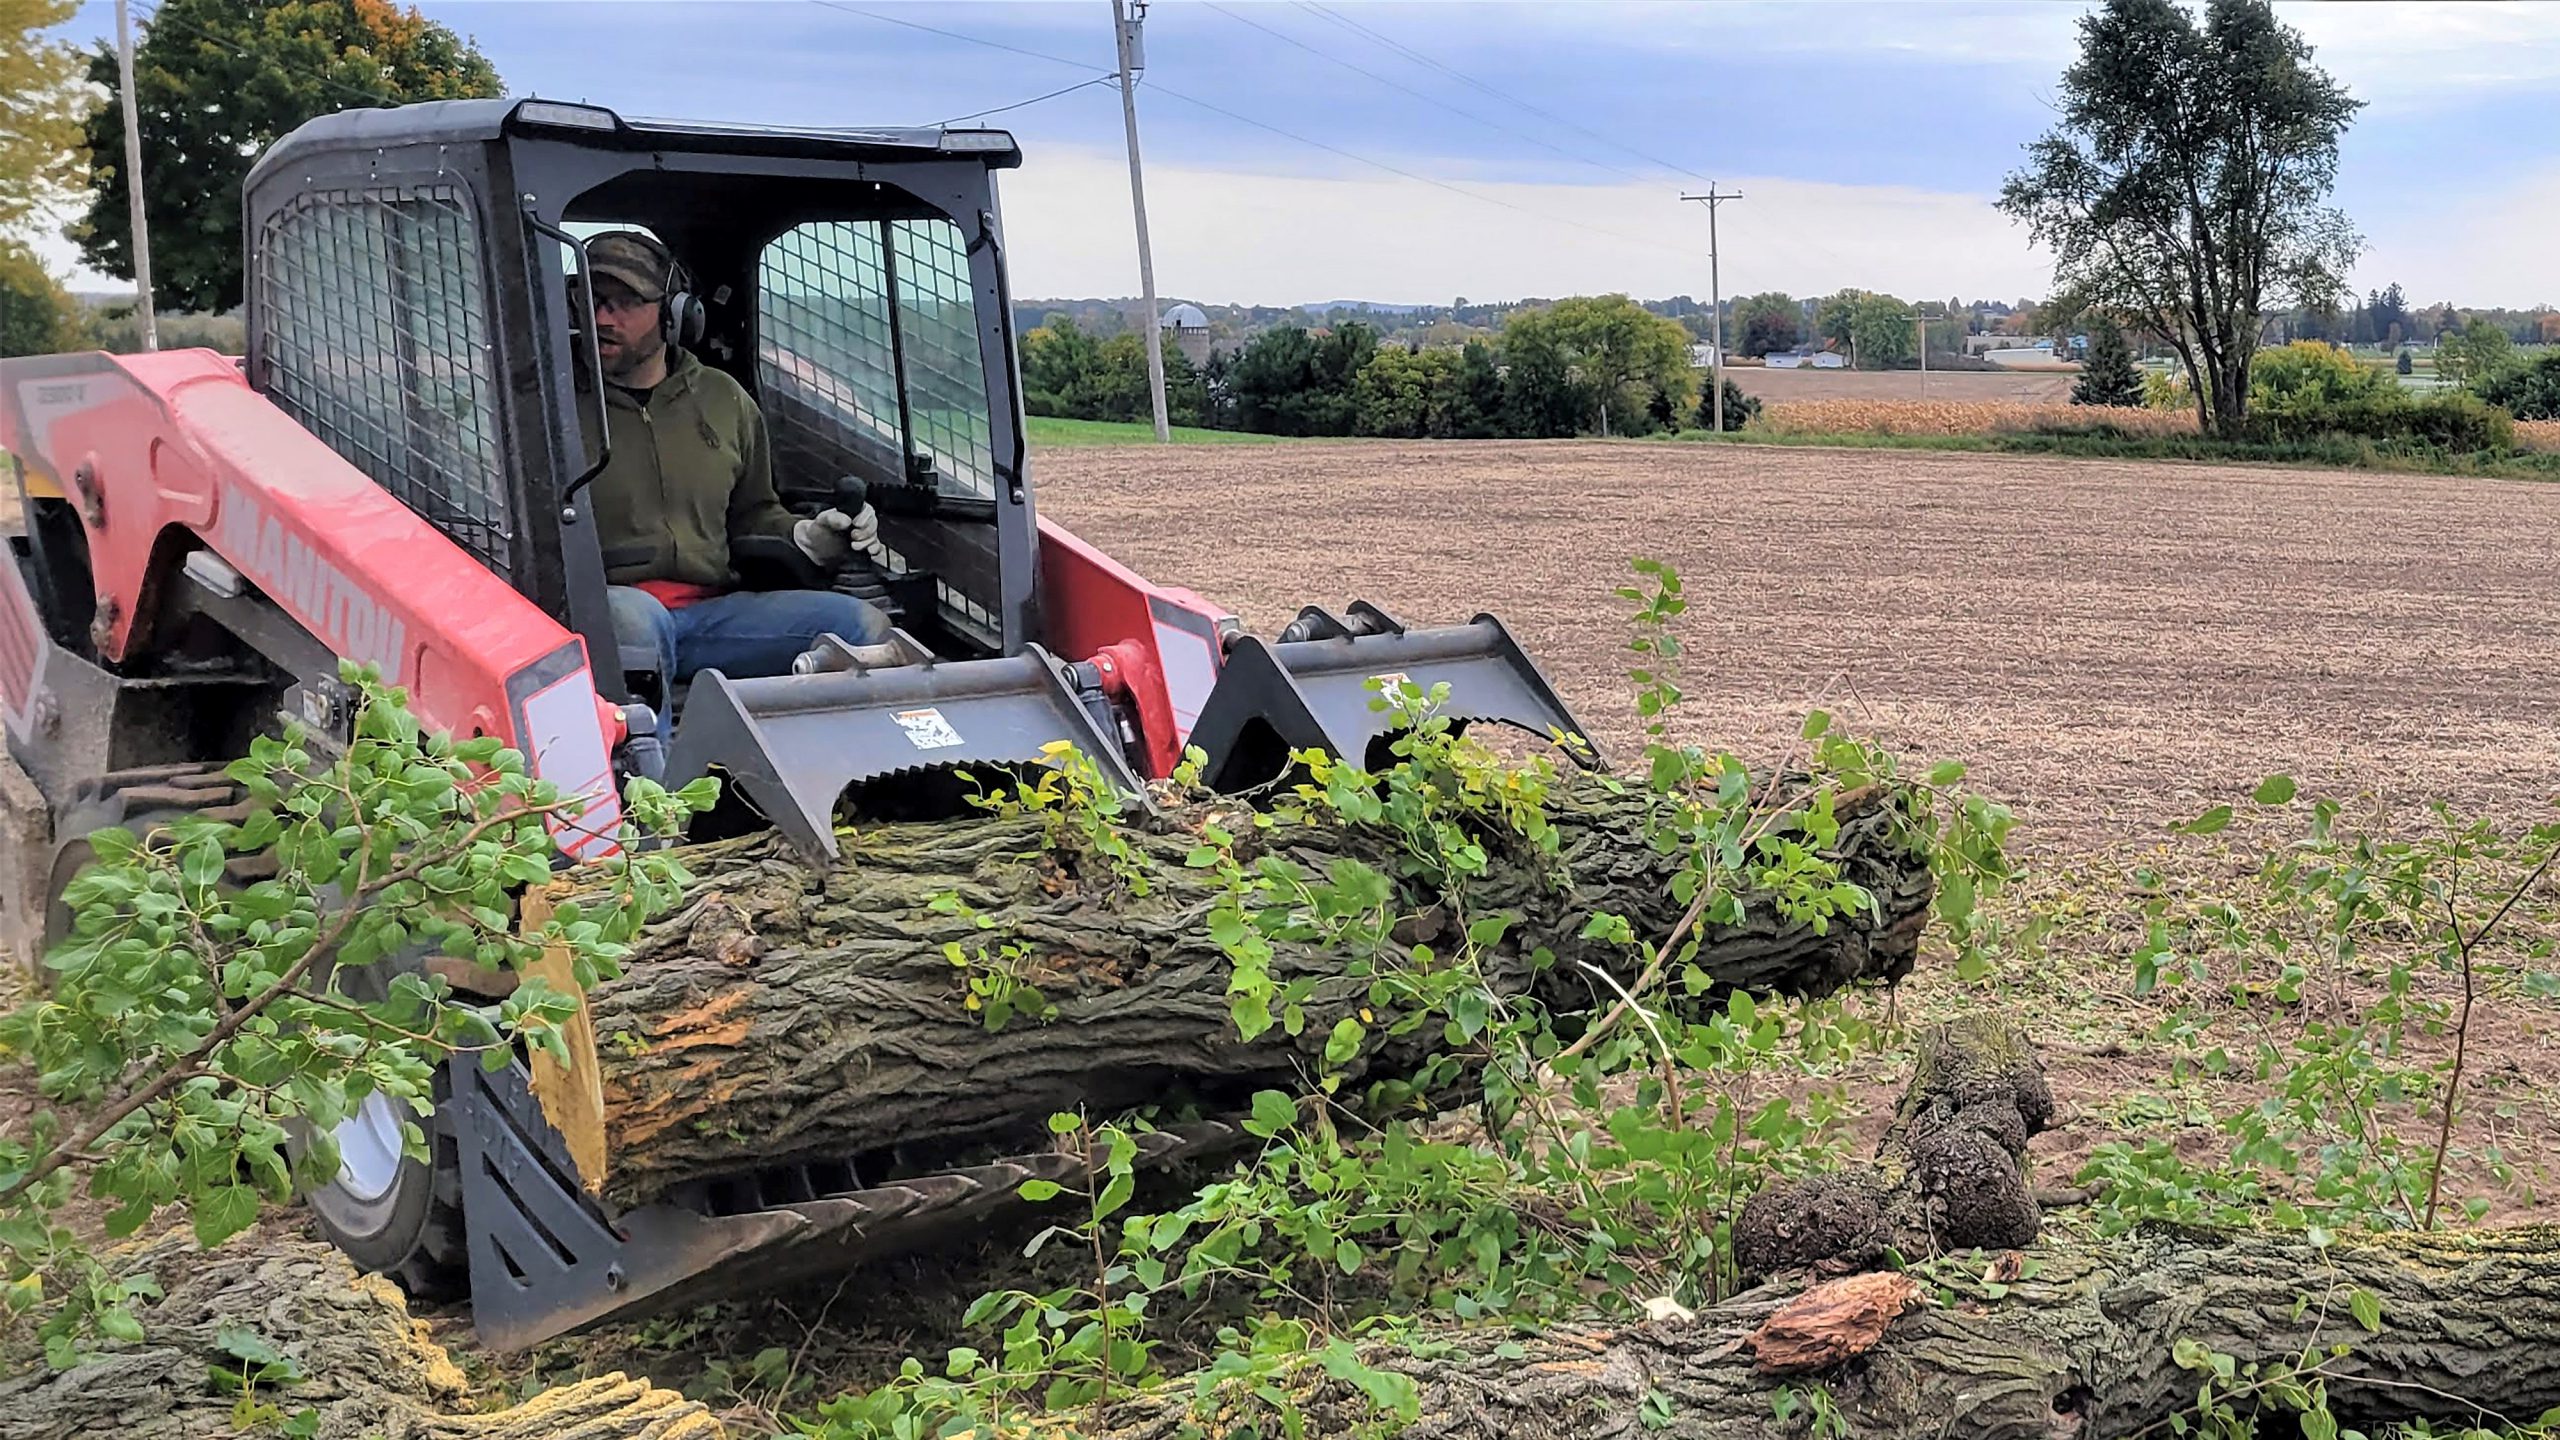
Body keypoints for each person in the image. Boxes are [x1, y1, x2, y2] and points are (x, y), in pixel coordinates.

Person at [579, 229, 891, 690]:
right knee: (632, 623)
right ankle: (646, 762)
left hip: (713, 616)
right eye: (590, 298)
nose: (602, 316)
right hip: (602, 617)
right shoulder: (551, 402)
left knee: (858, 627)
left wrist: (807, 535)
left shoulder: (724, 400)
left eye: (625, 301)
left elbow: (754, 513)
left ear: (673, 314)